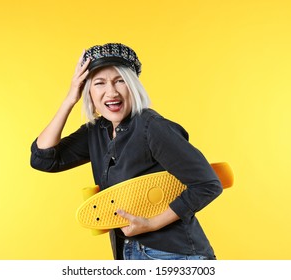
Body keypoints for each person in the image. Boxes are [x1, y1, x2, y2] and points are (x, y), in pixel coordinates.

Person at [30, 43, 223, 260]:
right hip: (128, 252)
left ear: (132, 86)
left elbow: (208, 184)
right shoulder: (97, 131)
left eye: (120, 81)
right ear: (89, 91)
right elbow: (43, 159)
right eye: (99, 83)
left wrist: (151, 224)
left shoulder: (152, 127)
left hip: (174, 255)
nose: (111, 92)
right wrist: (69, 100)